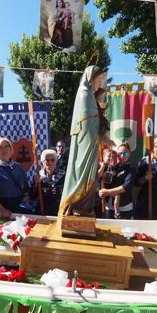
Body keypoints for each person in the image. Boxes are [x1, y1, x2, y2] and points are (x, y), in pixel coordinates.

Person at [58, 66, 112, 217]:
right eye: (98, 80)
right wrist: (101, 137)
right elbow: (87, 124)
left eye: (102, 80)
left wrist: (102, 136)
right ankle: (79, 208)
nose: (100, 84)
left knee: (90, 175)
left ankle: (85, 209)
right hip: (85, 144)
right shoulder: (84, 94)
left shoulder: (90, 95)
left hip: (92, 144)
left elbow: (95, 120)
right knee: (83, 173)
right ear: (90, 77)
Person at [0, 137, 30, 218]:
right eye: (0, 147)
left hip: (18, 209)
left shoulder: (18, 166)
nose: (3, 149)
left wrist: (26, 196)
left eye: (6, 146)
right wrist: (2, 210)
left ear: (10, 149)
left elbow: (25, 186)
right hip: (1, 211)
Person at [99, 143, 136, 219]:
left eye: (125, 153)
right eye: (119, 154)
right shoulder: (115, 167)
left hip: (124, 207)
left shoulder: (131, 168)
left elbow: (125, 187)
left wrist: (107, 192)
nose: (122, 156)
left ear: (129, 153)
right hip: (109, 205)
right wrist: (105, 177)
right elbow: (107, 182)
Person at [31, 149, 65, 216]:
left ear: (56, 161)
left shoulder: (63, 176)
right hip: (43, 212)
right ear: (43, 162)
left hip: (59, 211)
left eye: (52, 160)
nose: (50, 162)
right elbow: (32, 197)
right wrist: (36, 185)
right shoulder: (38, 176)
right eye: (47, 160)